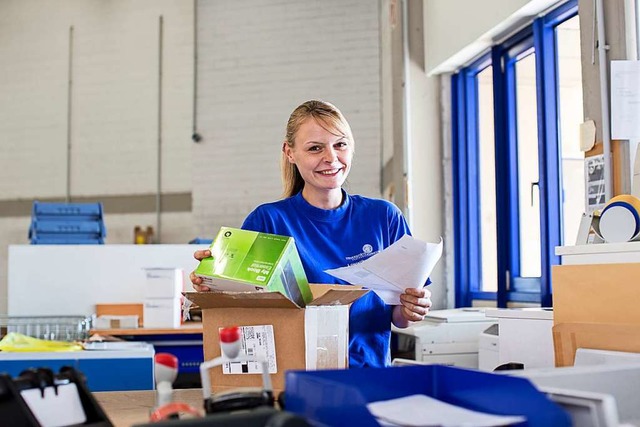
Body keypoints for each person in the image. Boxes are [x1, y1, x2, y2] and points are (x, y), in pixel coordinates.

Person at [190, 100, 432, 368]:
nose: (331, 158)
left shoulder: (384, 217)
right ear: (290, 153)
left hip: (368, 376)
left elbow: (399, 317)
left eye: (340, 144)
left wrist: (412, 308)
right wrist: (211, 281)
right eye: (315, 148)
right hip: (294, 380)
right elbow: (238, 308)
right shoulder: (268, 221)